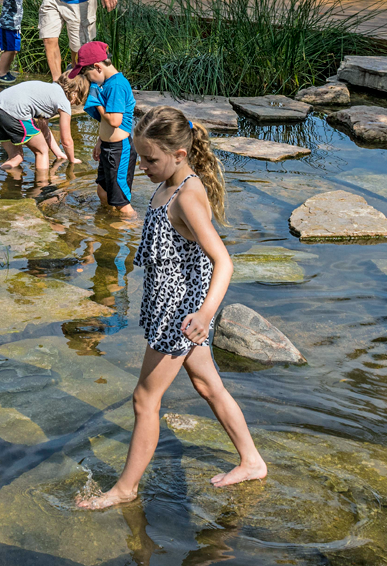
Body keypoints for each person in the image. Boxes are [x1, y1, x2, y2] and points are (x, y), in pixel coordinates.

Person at [78, 106, 267, 509]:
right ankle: (251, 461)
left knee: (144, 400)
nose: (141, 166)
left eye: (149, 159)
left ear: (179, 155)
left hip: (180, 317)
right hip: (174, 307)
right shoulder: (170, 182)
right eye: (140, 157)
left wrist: (204, 314)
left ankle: (125, 489)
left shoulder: (188, 197)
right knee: (207, 385)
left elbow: (224, 261)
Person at [70, 40, 136, 217]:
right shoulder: (106, 84)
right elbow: (106, 123)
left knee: (121, 200)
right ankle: (110, 222)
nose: (88, 79)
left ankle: (133, 230)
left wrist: (97, 103)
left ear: (98, 67)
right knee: (102, 192)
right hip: (108, 147)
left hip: (119, 149)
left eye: (87, 74)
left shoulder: (115, 85)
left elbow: (114, 120)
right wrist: (100, 141)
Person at [0, 78, 79, 188]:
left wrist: (59, 153)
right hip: (15, 112)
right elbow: (66, 141)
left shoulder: (48, 90)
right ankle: (41, 186)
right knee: (42, 151)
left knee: (16, 157)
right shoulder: (63, 101)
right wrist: (72, 159)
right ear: (75, 93)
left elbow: (43, 129)